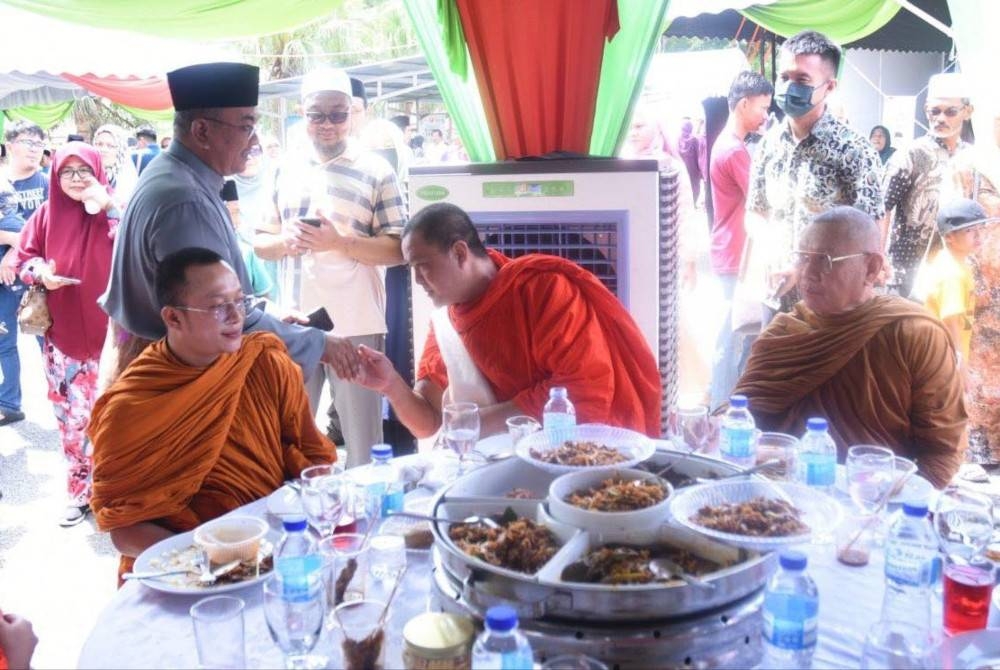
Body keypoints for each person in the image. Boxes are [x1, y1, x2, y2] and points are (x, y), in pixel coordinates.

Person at [98, 62, 359, 388]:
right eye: (247, 125)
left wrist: (265, 312)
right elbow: (217, 315)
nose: (254, 141)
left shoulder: (173, 174)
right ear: (202, 131)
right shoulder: (185, 201)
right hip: (172, 385)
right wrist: (320, 344)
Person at [89, 248, 335, 578]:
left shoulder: (265, 363)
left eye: (240, 301)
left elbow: (313, 457)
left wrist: (316, 489)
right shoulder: (130, 407)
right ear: (173, 318)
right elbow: (124, 531)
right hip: (179, 575)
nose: (236, 316)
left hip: (273, 554)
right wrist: (211, 561)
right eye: (219, 306)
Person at [353, 202, 662, 438]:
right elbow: (431, 422)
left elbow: (584, 390)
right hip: (500, 463)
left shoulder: (542, 288)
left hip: (575, 452)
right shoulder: (446, 320)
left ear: (460, 253)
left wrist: (476, 424)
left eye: (423, 266)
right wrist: (391, 385)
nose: (418, 280)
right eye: (412, 269)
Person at [732, 206, 965, 488]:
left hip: (872, 502)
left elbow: (941, 452)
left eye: (826, 260)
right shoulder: (783, 333)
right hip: (779, 496)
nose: (808, 273)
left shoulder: (914, 333)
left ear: (872, 268)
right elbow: (739, 416)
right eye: (803, 258)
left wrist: (899, 506)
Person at [255, 66, 405, 467]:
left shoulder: (376, 169)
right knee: (289, 430)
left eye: (337, 114)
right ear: (303, 115)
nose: (327, 124)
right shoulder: (284, 167)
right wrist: (284, 241)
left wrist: (341, 243)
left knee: (362, 439)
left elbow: (398, 249)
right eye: (316, 115)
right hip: (294, 320)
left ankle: (367, 520)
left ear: (353, 114)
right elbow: (260, 244)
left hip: (356, 319)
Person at [16, 142, 118, 526]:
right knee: (73, 419)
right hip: (64, 344)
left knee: (119, 416)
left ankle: (120, 490)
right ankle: (80, 492)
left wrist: (108, 205)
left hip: (115, 340)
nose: (76, 180)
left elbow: (142, 246)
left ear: (98, 171)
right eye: (67, 173)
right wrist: (42, 273)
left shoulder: (115, 212)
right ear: (55, 177)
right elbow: (23, 260)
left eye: (84, 171)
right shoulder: (45, 215)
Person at [746, 30, 884, 315]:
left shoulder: (855, 151)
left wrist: (804, 266)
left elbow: (867, 236)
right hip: (774, 297)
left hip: (831, 306)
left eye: (802, 80)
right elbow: (755, 211)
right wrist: (771, 248)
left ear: (829, 87)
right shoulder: (769, 145)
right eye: (784, 78)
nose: (789, 87)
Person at [882, 73, 1000, 298]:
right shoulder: (912, 154)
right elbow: (882, 206)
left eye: (950, 112)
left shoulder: (974, 158)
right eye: (934, 111)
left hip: (956, 271)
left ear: (967, 112)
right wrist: (877, 256)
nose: (940, 119)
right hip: (908, 268)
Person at [709, 71, 773, 410]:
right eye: (763, 107)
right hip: (736, 255)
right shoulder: (734, 151)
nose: (765, 115)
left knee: (738, 336)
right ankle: (721, 410)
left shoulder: (728, 144)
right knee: (733, 338)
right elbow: (764, 198)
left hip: (731, 251)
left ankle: (727, 407)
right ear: (744, 104)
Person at [920, 199, 992, 366]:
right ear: (949, 237)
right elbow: (950, 321)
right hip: (945, 357)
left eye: (980, 229)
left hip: (946, 354)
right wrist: (960, 367)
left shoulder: (955, 262)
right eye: (969, 230)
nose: (978, 236)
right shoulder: (952, 273)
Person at [0, 179, 25, 427]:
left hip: (26, 293)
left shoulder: (10, 222)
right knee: (4, 345)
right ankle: (9, 404)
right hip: (6, 294)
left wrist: (12, 247)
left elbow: (27, 239)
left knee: (47, 343)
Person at [92, 124, 139, 210]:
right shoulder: (88, 172)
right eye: (99, 144)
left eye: (110, 146)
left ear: (120, 150)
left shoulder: (127, 177)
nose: (103, 149)